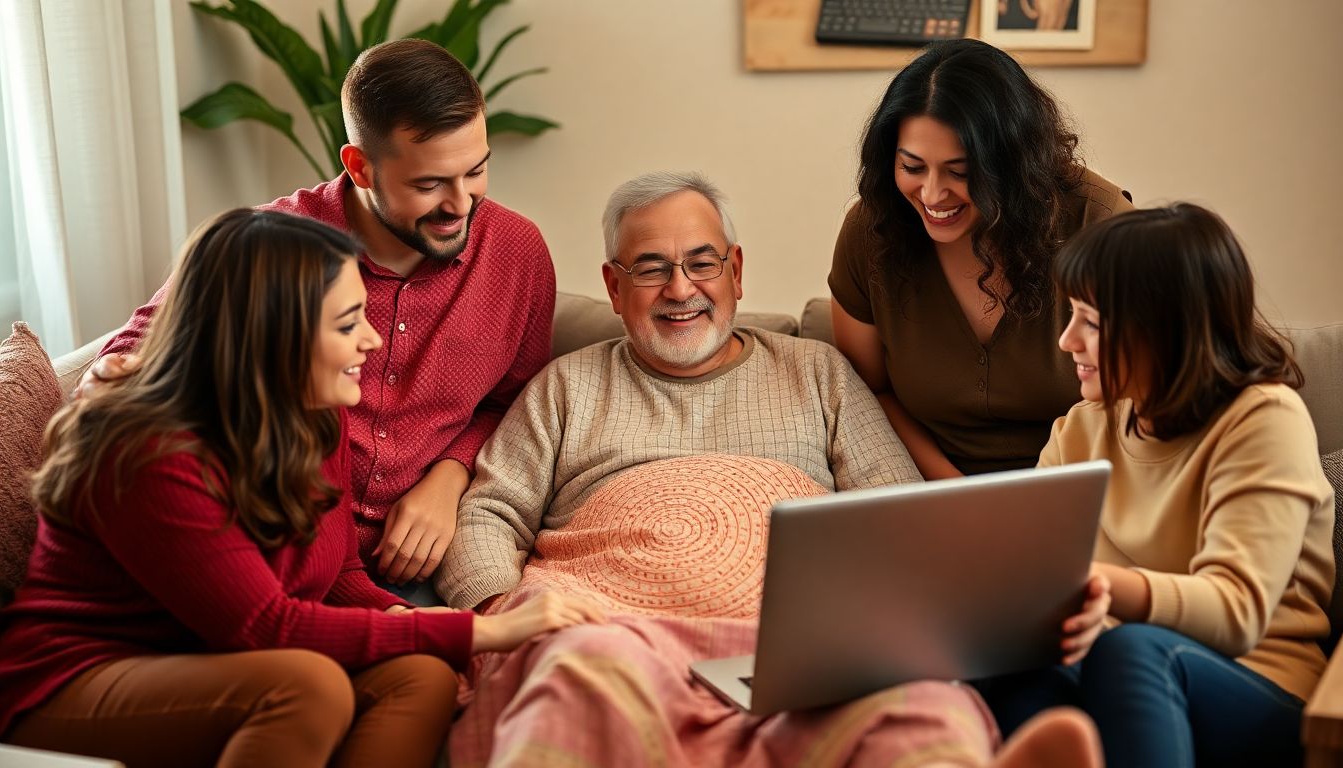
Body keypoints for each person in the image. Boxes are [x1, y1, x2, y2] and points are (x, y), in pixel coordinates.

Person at [435, 171, 1106, 768]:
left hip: (797, 647)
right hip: (613, 629)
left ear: (736, 270)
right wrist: (501, 615)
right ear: (613, 285)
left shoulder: (818, 373)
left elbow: (896, 509)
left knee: (912, 703)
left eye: (702, 264)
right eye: (650, 269)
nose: (681, 290)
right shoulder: (566, 387)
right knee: (581, 674)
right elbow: (490, 511)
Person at [0, 209, 601, 768]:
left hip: (225, 661)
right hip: (78, 676)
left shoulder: (315, 414)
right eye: (347, 323)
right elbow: (263, 627)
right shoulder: (144, 450)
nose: (372, 340)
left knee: (420, 673)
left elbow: (337, 574)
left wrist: (436, 635)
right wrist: (478, 629)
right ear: (271, 337)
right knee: (307, 689)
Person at [81, 38, 555, 593]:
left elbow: (517, 402)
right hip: (265, 561)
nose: (461, 203)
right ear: (359, 167)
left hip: (417, 567)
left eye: (475, 171)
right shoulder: (267, 245)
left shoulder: (517, 253)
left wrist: (451, 475)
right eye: (428, 184)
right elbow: (126, 366)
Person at [977, 204, 1335, 767]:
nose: (1068, 341)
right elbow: (1029, 571)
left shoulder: (1264, 419)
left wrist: (1098, 587)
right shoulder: (1080, 430)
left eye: (1090, 322)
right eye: (1070, 317)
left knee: (1132, 650)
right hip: (1109, 675)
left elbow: (1238, 611)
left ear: (1165, 329)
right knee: (1010, 659)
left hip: (1260, 690)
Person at [829, 38, 1133, 480]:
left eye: (961, 172)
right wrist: (957, 496)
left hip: (1085, 487)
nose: (932, 195)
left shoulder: (1097, 222)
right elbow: (868, 393)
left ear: (1014, 165)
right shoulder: (873, 231)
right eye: (912, 167)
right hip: (932, 490)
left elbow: (1144, 399)